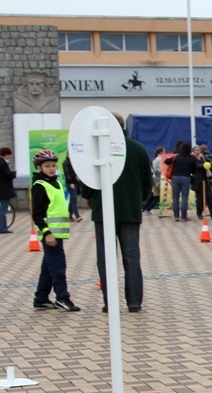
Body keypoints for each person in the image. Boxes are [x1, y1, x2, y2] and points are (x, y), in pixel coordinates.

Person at [81, 112, 152, 313]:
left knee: (105, 258)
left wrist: (89, 197)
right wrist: (139, 201)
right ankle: (134, 302)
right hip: (130, 211)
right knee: (132, 258)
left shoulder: (99, 150)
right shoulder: (138, 149)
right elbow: (148, 183)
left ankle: (110, 302)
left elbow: (88, 182)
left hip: (103, 211)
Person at [30, 149, 79, 312]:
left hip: (58, 233)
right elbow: (37, 214)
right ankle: (62, 298)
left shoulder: (56, 182)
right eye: (47, 166)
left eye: (53, 165)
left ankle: (41, 298)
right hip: (50, 234)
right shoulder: (40, 186)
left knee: (49, 267)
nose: (51, 168)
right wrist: (46, 233)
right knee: (58, 267)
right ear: (39, 168)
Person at [165, 141, 199, 222]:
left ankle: (176, 216)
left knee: (175, 197)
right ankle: (184, 216)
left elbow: (166, 161)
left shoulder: (177, 157)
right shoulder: (192, 158)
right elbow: (195, 170)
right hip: (186, 177)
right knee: (184, 197)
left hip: (175, 177)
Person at [0, 147, 16, 234]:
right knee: (3, 209)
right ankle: (2, 228)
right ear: (5, 154)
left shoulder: (0, 162)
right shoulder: (2, 163)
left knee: (2, 208)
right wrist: (14, 173)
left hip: (1, 189)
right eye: (8, 155)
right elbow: (8, 175)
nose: (9, 157)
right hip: (4, 189)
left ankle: (1, 226)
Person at [192, 145, 212, 220]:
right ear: (193, 151)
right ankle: (199, 213)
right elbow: (196, 166)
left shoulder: (202, 157)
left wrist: (211, 164)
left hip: (205, 179)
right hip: (197, 179)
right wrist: (203, 165)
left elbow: (209, 162)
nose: (197, 152)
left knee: (209, 196)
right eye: (196, 150)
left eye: (198, 150)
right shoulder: (192, 158)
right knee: (199, 198)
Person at [62, 154, 83, 222]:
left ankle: (70, 215)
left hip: (75, 182)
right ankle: (77, 216)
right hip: (70, 183)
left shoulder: (73, 161)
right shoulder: (65, 162)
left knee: (72, 199)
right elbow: (67, 173)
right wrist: (70, 182)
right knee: (74, 200)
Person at [145, 146, 164, 214]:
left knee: (154, 194)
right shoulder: (160, 159)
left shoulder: (156, 159)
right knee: (157, 195)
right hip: (158, 178)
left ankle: (146, 208)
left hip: (155, 178)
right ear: (161, 152)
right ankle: (148, 209)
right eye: (164, 151)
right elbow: (161, 169)